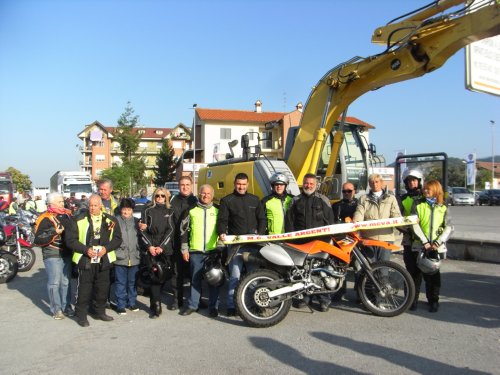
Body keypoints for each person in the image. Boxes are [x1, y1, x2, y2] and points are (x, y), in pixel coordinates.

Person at [65, 194, 122, 327]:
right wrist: (86, 250)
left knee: (102, 288)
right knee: (84, 289)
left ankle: (99, 312)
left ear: (101, 205)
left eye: (95, 205)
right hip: (86, 259)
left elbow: (117, 239)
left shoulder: (111, 220)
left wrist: (106, 249)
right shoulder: (78, 219)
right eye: (90, 205)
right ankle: (81, 316)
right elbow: (70, 240)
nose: (92, 208)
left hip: (104, 259)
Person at [217, 173, 266, 317]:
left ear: (248, 184)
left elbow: (262, 219)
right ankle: (232, 306)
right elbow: (222, 220)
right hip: (236, 247)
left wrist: (260, 233)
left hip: (253, 245)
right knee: (235, 277)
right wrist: (221, 232)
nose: (241, 187)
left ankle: (254, 304)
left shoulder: (255, 200)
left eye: (244, 184)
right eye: (239, 184)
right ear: (234, 183)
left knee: (253, 276)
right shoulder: (227, 200)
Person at [285, 173, 335, 312]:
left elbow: (330, 222)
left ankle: (324, 299)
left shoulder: (323, 200)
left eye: (311, 184)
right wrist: (291, 241)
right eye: (306, 183)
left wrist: (328, 240)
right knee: (302, 271)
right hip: (300, 244)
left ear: (316, 185)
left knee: (322, 272)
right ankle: (304, 298)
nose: (308, 186)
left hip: (320, 243)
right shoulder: (295, 200)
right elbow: (289, 221)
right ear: (303, 184)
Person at [408, 180, 452, 313]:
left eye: (429, 189)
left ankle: (433, 301)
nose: (425, 191)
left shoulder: (443, 206)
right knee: (415, 275)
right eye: (425, 189)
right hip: (419, 245)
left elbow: (449, 226)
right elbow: (414, 224)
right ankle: (412, 301)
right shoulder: (418, 204)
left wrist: (438, 242)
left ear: (436, 190)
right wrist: (425, 242)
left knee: (433, 276)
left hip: (436, 247)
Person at [179, 184, 221, 317]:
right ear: (199, 194)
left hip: (213, 252)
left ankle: (214, 306)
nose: (206, 195)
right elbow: (183, 230)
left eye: (208, 193)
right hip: (195, 251)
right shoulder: (190, 210)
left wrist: (220, 246)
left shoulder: (219, 210)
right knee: (195, 279)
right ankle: (193, 305)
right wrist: (184, 249)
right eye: (203, 193)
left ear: (212, 196)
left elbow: (223, 230)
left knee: (214, 280)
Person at [34, 193, 74, 320]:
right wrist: (54, 232)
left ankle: (66, 306)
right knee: (54, 282)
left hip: (66, 253)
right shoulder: (45, 218)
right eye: (59, 202)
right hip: (52, 254)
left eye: (62, 201)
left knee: (66, 282)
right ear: (51, 204)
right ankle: (56, 309)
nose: (62, 204)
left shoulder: (67, 215)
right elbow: (38, 239)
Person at [141, 187, 175, 319]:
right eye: (157, 196)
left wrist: (161, 246)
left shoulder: (170, 211)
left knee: (163, 276)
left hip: (165, 248)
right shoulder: (147, 210)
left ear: (166, 197)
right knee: (155, 276)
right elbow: (143, 230)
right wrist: (150, 246)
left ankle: (154, 300)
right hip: (151, 247)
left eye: (162, 196)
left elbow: (171, 230)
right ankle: (156, 306)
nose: (159, 198)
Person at [353, 173, 402, 262]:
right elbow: (359, 213)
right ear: (369, 184)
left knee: (383, 270)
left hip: (386, 239)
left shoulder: (391, 198)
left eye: (377, 182)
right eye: (372, 182)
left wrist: (402, 223)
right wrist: (355, 222)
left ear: (381, 183)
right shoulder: (363, 198)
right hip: (368, 239)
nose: (374, 184)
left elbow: (396, 215)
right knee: (370, 269)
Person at [170, 176, 198, 310]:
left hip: (193, 242)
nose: (185, 187)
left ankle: (195, 300)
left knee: (195, 273)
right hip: (176, 242)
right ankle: (177, 299)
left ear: (191, 186)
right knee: (177, 273)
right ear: (179, 186)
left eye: (187, 184)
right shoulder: (173, 201)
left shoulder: (196, 201)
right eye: (182, 185)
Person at [330, 181, 358, 302]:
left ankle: (359, 293)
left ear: (354, 191)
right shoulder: (336, 205)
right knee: (340, 267)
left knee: (359, 268)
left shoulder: (360, 204)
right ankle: (339, 291)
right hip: (341, 241)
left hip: (357, 241)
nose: (346, 193)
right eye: (344, 191)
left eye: (349, 191)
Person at [114, 198, 141, 315]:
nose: (126, 212)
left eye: (129, 210)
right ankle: (120, 304)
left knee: (132, 282)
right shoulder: (115, 221)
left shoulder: (137, 222)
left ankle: (132, 302)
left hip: (134, 256)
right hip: (120, 257)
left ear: (132, 210)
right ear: (120, 210)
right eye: (124, 209)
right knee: (120, 282)